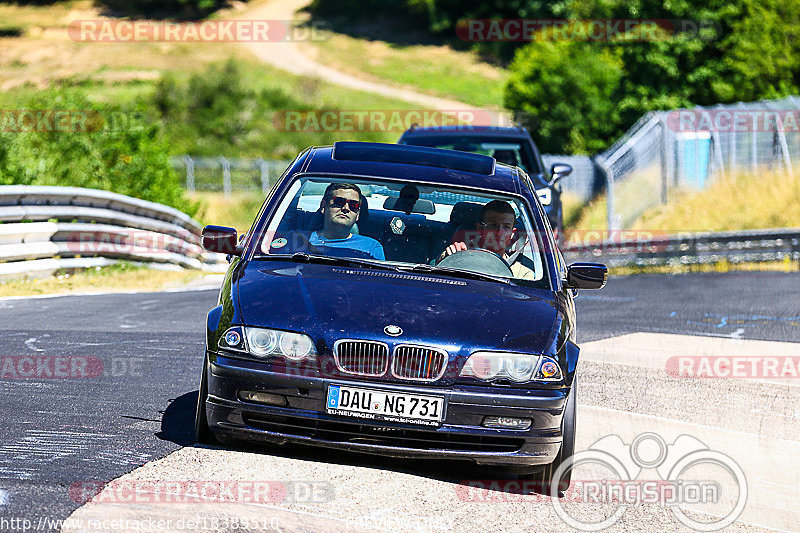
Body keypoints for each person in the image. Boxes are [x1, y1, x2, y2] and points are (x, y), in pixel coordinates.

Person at [436, 199, 537, 279]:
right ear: (480, 229)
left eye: (506, 227)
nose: (499, 232)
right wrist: (447, 257)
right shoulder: (459, 253)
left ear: (512, 233)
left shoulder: (522, 273)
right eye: (493, 225)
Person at [307, 183, 385, 260]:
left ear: (357, 214)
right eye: (339, 202)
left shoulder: (371, 247)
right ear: (323, 206)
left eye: (354, 205)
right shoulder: (300, 239)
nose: (346, 208)